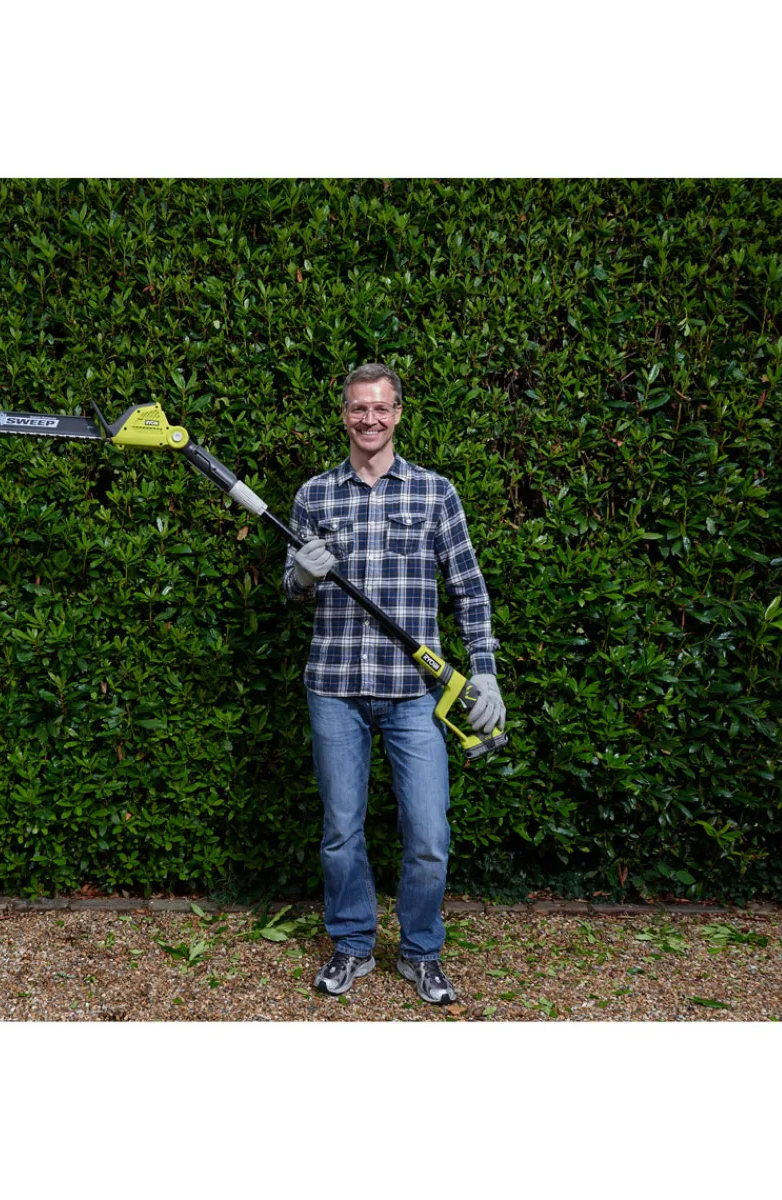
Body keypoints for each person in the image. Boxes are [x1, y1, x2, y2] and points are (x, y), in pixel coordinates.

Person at [282, 362, 506, 1003]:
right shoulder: (314, 495)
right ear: (344, 415)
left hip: (416, 694)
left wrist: (484, 670)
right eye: (359, 408)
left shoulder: (436, 493)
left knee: (430, 835)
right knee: (341, 832)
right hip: (335, 687)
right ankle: (352, 945)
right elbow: (291, 590)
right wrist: (302, 576)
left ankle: (420, 951)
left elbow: (468, 589)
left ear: (398, 413)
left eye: (381, 408)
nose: (369, 419)